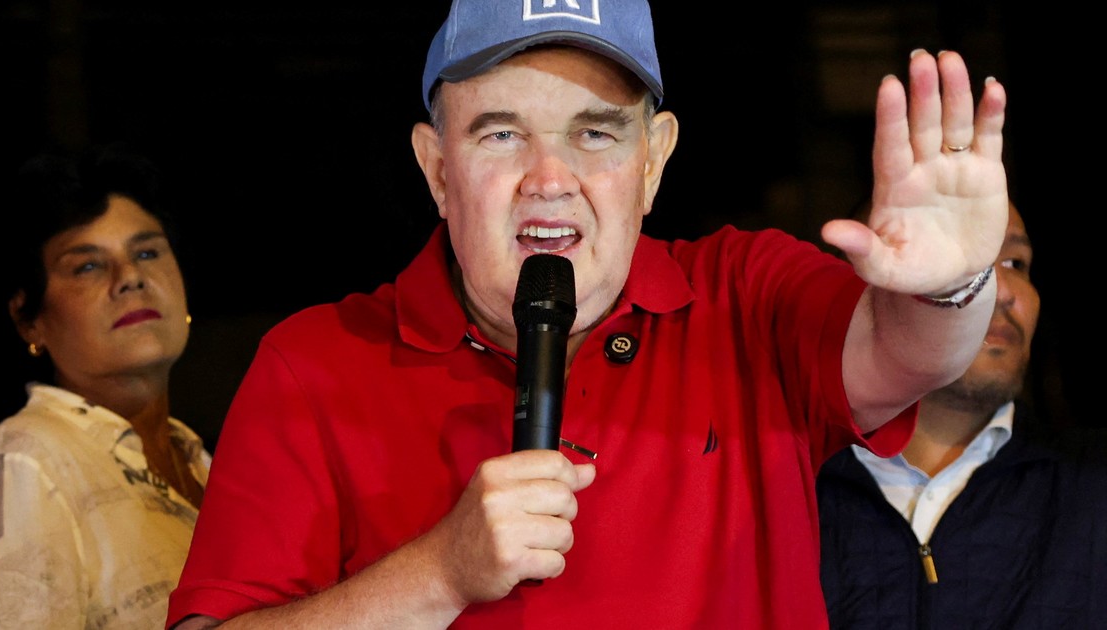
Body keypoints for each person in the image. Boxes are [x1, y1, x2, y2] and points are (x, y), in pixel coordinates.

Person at [167, 1, 1009, 627]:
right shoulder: (312, 363)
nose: (549, 178)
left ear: (653, 161)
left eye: (595, 134)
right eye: (501, 135)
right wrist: (440, 572)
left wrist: (947, 287)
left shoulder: (744, 297)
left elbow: (906, 353)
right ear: (437, 170)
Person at [0, 143, 212, 629]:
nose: (130, 277)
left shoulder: (203, 463)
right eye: (88, 265)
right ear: (29, 321)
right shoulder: (26, 465)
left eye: (147, 252)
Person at [817, 201, 1107, 627]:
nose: (1001, 291)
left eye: (1016, 263)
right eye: (956, 258)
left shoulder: (1092, 485)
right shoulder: (776, 490)